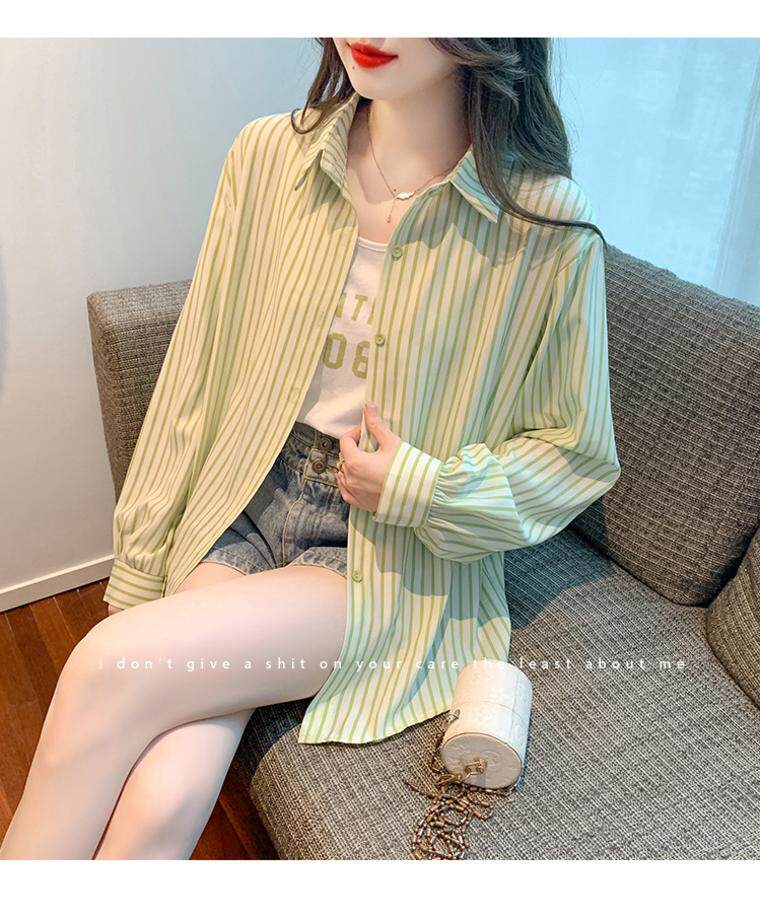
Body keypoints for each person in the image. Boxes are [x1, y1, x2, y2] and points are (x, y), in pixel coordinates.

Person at [0, 37, 620, 859]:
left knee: (101, 669)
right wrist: (144, 560)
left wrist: (425, 488)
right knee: (165, 796)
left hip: (381, 551)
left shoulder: (546, 224)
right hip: (245, 495)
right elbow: (199, 366)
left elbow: (574, 452)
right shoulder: (269, 156)